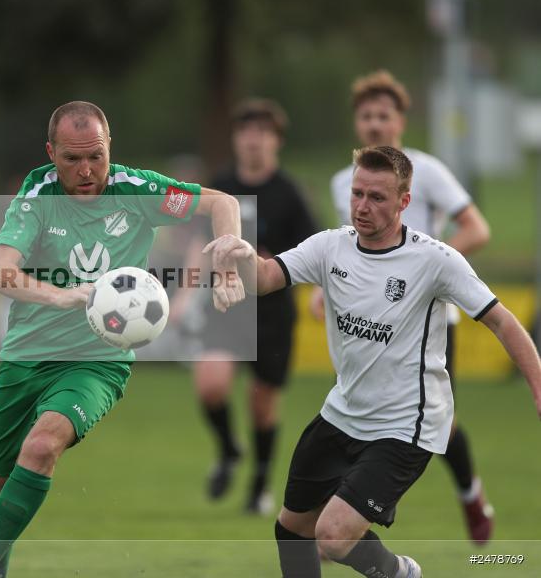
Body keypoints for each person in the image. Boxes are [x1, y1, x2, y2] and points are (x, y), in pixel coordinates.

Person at [219, 145, 541, 578]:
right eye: (356, 194)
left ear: (404, 201)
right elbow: (265, 279)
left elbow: (502, 322)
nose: (361, 206)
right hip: (343, 413)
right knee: (292, 529)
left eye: (376, 197)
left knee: (332, 537)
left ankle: (400, 573)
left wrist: (538, 386)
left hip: (406, 426)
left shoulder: (436, 260)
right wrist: (241, 256)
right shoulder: (330, 247)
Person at [0, 100, 246, 578]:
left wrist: (227, 260)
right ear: (51, 153)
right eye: (72, 159)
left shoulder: (137, 189)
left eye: (97, 156)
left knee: (42, 445)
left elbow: (222, 204)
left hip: (97, 361)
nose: (87, 170)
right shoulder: (37, 195)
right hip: (26, 356)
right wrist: (63, 297)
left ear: (110, 147)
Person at [312, 69, 494, 544]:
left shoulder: (427, 170)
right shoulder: (343, 182)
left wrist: (427, 272)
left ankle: (471, 495)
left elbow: (476, 228)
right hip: (369, 323)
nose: (375, 124)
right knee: (363, 410)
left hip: (430, 321)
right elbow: (345, 249)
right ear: (358, 124)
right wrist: (322, 288)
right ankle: (350, 508)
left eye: (383, 116)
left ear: (400, 122)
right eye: (366, 116)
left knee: (440, 423)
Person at [187, 99, 317, 513]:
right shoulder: (221, 184)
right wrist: (181, 296)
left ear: (276, 141)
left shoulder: (290, 194)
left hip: (272, 313)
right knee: (210, 385)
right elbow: (196, 245)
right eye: (246, 131)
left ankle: (258, 488)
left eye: (262, 132)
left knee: (262, 406)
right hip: (226, 304)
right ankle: (228, 450)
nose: (253, 140)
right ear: (235, 139)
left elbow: (312, 253)